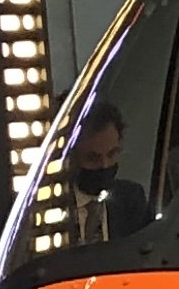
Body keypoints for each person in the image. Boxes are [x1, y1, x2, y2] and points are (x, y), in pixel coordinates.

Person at [62, 98, 151, 246]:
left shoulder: (132, 200)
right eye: (92, 158)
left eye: (111, 154)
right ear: (70, 157)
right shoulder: (52, 207)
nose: (105, 165)